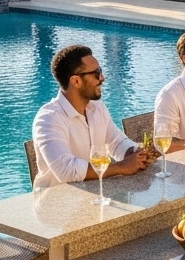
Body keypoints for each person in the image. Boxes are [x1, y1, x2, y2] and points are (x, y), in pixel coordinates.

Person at [32, 44, 151, 189]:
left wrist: (135, 153)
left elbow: (116, 142)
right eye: (96, 73)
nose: (102, 78)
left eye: (100, 71)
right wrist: (120, 167)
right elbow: (67, 171)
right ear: (76, 81)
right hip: (57, 204)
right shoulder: (48, 119)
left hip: (95, 193)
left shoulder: (96, 107)